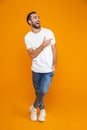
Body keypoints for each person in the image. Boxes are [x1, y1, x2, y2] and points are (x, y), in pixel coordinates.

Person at [24, 11, 57, 122]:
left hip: (48, 70)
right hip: (36, 70)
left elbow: (54, 49)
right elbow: (32, 55)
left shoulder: (48, 32)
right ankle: (42, 110)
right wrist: (43, 45)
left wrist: (54, 63)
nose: (38, 19)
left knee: (43, 91)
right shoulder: (27, 37)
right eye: (34, 18)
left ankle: (33, 108)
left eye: (38, 17)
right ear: (29, 22)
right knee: (38, 92)